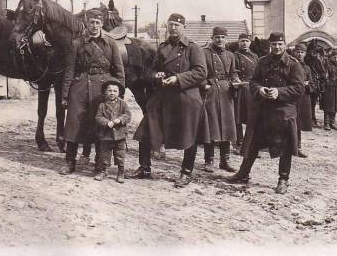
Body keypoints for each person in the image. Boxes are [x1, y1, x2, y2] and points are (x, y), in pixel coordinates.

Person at [132, 13, 207, 188]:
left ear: (184, 28)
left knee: (189, 136)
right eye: (170, 25)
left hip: (185, 97)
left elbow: (201, 72)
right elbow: (150, 71)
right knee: (147, 128)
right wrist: (155, 76)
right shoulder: (162, 48)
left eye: (177, 25)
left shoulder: (193, 48)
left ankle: (186, 172)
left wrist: (178, 79)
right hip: (163, 96)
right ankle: (144, 168)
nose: (173, 28)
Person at [226, 32, 304, 194]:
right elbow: (254, 81)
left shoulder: (293, 64)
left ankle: (283, 179)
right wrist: (260, 89)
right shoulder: (262, 62)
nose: (276, 47)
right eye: (274, 44)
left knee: (286, 146)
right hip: (263, 108)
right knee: (253, 142)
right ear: (270, 45)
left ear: (285, 45)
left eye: (280, 44)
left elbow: (299, 88)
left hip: (283, 109)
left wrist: (279, 92)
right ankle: (243, 173)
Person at [60, 9, 125, 175]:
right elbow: (69, 71)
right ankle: (69, 161)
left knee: (100, 126)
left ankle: (99, 165)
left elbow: (119, 71)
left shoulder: (110, 43)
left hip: (101, 89)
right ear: (86, 23)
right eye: (91, 22)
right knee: (73, 124)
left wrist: (119, 95)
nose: (94, 26)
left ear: (102, 24)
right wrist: (65, 95)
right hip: (80, 87)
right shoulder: (77, 43)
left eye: (97, 22)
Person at [202, 27, 241, 173]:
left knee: (227, 126)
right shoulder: (204, 53)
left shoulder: (230, 55)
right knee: (211, 126)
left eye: (222, 37)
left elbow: (233, 73)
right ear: (212, 38)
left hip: (226, 92)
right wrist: (204, 84)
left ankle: (224, 161)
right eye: (217, 37)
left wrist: (236, 80)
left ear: (226, 39)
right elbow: (199, 71)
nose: (220, 40)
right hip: (210, 91)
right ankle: (209, 160)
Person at [94, 78, 131, 183]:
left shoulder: (123, 104)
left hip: (120, 135)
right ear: (105, 92)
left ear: (119, 92)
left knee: (120, 154)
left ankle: (121, 172)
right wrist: (106, 122)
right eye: (109, 91)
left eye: (115, 91)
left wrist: (120, 120)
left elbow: (128, 115)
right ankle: (103, 171)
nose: (112, 93)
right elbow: (98, 117)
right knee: (104, 154)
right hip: (106, 135)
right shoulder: (102, 105)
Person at [233, 33, 259, 153]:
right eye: (242, 41)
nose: (244, 43)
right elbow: (233, 71)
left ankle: (251, 144)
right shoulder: (235, 56)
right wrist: (236, 79)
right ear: (238, 42)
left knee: (252, 118)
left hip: (253, 89)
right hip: (240, 89)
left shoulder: (255, 56)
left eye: (247, 41)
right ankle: (239, 143)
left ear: (250, 43)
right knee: (238, 116)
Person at [293, 43, 317, 158]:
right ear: (294, 53)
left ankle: (297, 147)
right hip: (292, 98)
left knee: (299, 123)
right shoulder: (290, 65)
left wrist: (307, 85)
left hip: (303, 99)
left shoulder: (307, 68)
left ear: (305, 54)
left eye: (302, 52)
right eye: (297, 52)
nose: (300, 54)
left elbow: (313, 85)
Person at [321, 50, 337, 131]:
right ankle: (326, 124)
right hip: (329, 88)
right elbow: (325, 76)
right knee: (328, 105)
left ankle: (332, 123)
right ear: (331, 57)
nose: (336, 59)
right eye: (334, 57)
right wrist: (328, 83)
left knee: (335, 105)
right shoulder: (327, 65)